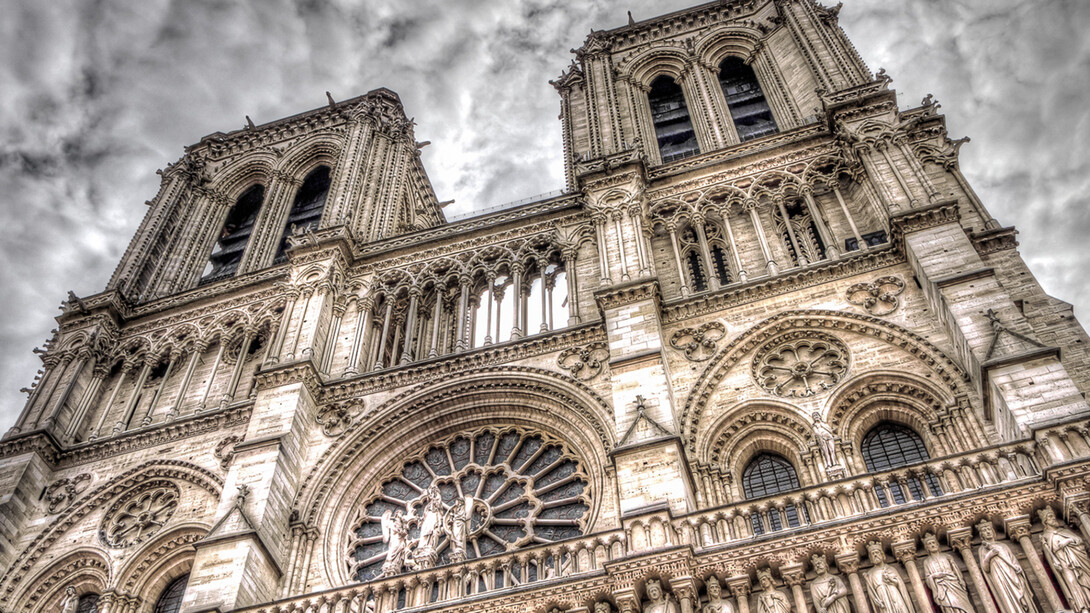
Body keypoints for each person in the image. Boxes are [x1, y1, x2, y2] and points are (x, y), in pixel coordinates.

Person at [977, 520, 1038, 613]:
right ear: (982, 535)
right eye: (985, 530)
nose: (988, 532)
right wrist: (989, 556)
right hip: (999, 575)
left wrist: (1017, 567)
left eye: (989, 529)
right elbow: (985, 568)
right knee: (1006, 595)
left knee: (1022, 593)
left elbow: (1012, 559)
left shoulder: (1003, 545)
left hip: (1011, 572)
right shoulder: (983, 549)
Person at [1038, 507, 1090, 612]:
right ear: (1045, 521)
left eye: (1053, 516)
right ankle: (1083, 607)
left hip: (1077, 559)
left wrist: (1068, 541)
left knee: (1085, 579)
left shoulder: (1064, 531)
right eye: (1050, 516)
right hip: (1063, 563)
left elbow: (1079, 540)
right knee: (1071, 581)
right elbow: (1049, 555)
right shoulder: (1045, 537)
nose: (1053, 518)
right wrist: (1054, 562)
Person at [921, 533, 972, 613]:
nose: (932, 545)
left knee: (962, 604)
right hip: (941, 587)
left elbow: (956, 571)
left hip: (954, 583)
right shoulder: (927, 562)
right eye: (929, 544)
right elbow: (928, 578)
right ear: (927, 547)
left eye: (933, 543)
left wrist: (961, 581)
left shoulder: (947, 556)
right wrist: (934, 576)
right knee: (948, 606)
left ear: (937, 544)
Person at [864, 541, 915, 613]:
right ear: (870, 557)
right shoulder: (870, 573)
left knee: (900, 608)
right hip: (882, 595)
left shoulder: (890, 568)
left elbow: (899, 583)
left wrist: (891, 580)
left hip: (893, 591)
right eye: (873, 553)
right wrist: (875, 600)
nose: (875, 555)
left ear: (882, 554)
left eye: (877, 552)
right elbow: (870, 591)